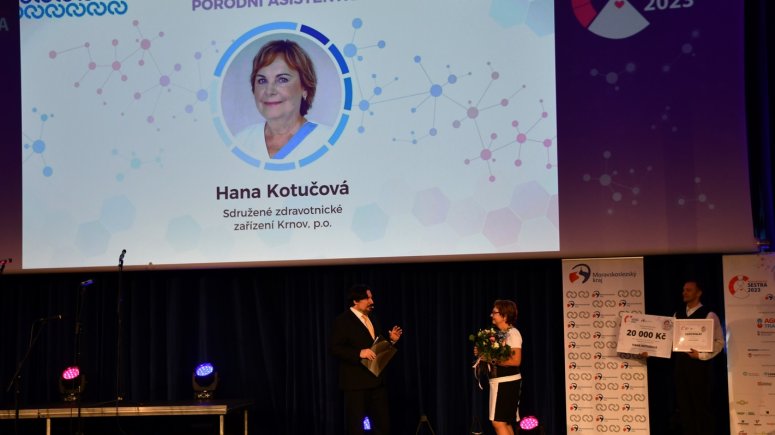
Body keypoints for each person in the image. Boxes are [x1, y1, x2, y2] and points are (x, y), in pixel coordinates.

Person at [329, 284, 403, 435]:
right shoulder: (343, 321)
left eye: (371, 297)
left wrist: (391, 340)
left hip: (377, 381)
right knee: (357, 428)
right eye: (367, 298)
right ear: (355, 301)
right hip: (356, 384)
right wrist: (359, 353)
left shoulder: (372, 318)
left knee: (382, 426)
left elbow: (375, 348)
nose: (371, 301)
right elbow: (334, 348)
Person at [241, 39, 319, 159]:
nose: (269, 91)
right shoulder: (242, 140)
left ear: (304, 88)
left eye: (282, 79)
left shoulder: (324, 139)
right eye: (262, 80)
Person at [672, 280, 724, 435]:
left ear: (699, 293)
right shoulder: (677, 315)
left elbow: (719, 342)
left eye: (689, 290)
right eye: (683, 290)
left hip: (700, 369)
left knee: (702, 408)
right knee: (684, 408)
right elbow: (668, 340)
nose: (684, 292)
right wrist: (652, 350)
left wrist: (701, 355)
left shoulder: (709, 314)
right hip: (681, 367)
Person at [474, 300, 523, 435]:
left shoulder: (513, 333)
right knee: (504, 421)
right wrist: (482, 353)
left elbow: (516, 361)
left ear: (505, 316)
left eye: (494, 312)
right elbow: (498, 355)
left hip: (506, 382)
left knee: (498, 422)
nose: (491, 315)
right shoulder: (502, 333)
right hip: (501, 382)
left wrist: (490, 358)